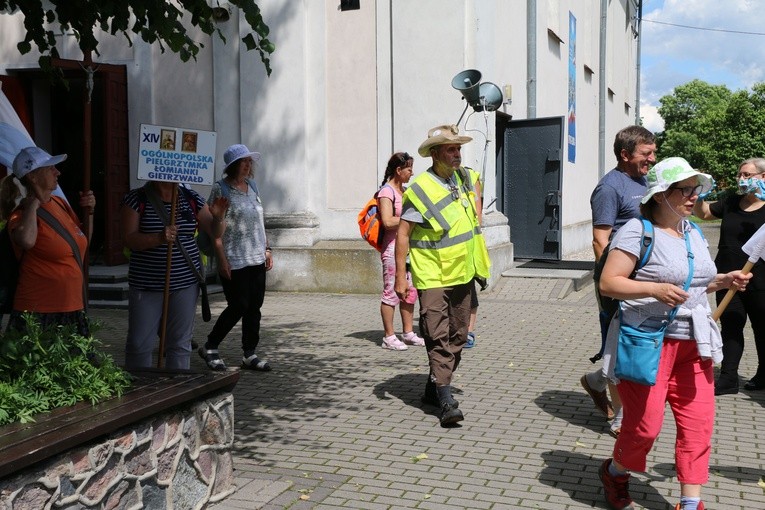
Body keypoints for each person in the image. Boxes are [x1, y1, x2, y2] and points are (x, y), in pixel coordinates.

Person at [597, 157, 751, 510]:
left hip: (695, 344)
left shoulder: (692, 231)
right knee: (644, 428)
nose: (693, 196)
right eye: (685, 189)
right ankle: (616, 472)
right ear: (661, 194)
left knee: (698, 427)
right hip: (649, 342)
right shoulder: (637, 230)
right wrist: (654, 290)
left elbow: (692, 285)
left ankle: (690, 501)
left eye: (696, 189)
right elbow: (609, 283)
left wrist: (723, 281)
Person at [395, 124, 490, 426]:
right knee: (437, 336)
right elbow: (403, 234)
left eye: (459, 148)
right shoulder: (421, 188)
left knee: (459, 335)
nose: (457, 153)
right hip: (433, 275)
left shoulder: (463, 178)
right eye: (451, 149)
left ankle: (432, 386)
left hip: (462, 272)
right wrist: (401, 276)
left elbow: (479, 185)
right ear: (434, 154)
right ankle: (446, 401)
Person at [581, 125, 656, 437]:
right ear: (625, 154)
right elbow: (600, 240)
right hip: (619, 282)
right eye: (646, 153)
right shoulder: (609, 188)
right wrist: (613, 280)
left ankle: (596, 381)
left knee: (635, 344)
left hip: (644, 279)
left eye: (653, 152)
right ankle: (619, 419)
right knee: (619, 345)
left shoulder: (644, 181)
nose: (653, 158)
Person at [121, 180, 227, 370]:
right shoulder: (136, 198)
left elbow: (214, 231)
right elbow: (129, 238)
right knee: (139, 343)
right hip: (147, 285)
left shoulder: (190, 197)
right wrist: (159, 238)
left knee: (180, 343)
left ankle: (177, 391)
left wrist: (218, 218)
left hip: (185, 283)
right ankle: (139, 392)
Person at [1, 146, 95, 336]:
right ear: (33, 177)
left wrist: (90, 212)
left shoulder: (60, 204)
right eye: (50, 168)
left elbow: (81, 242)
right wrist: (34, 204)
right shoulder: (20, 215)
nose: (57, 172)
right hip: (38, 312)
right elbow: (26, 241)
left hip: (72, 307)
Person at [197, 144, 275, 371]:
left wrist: (267, 249)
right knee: (238, 304)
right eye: (244, 161)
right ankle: (210, 346)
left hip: (256, 256)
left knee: (255, 307)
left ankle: (249, 354)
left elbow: (259, 221)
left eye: (250, 161)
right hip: (233, 257)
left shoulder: (252, 186)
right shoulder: (220, 189)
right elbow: (214, 226)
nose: (248, 164)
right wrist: (221, 259)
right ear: (233, 165)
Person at [693, 157, 765, 395]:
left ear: (763, 177)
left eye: (748, 175)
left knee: (762, 327)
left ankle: (763, 374)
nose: (741, 179)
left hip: (760, 279)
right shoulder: (731, 202)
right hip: (726, 275)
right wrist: (700, 194)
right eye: (740, 175)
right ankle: (728, 377)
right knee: (731, 325)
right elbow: (703, 214)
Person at [376, 151, 424, 351]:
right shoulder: (386, 192)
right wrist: (412, 219)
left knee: (410, 290)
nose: (412, 173)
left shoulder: (404, 191)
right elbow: (387, 221)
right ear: (398, 170)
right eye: (409, 169)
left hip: (407, 250)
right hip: (392, 250)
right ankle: (388, 336)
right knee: (391, 292)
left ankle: (408, 333)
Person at [465, 172, 483, 349]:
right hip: (445, 254)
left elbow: (478, 213)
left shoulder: (471, 176)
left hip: (469, 248)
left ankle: (468, 331)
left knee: (470, 293)